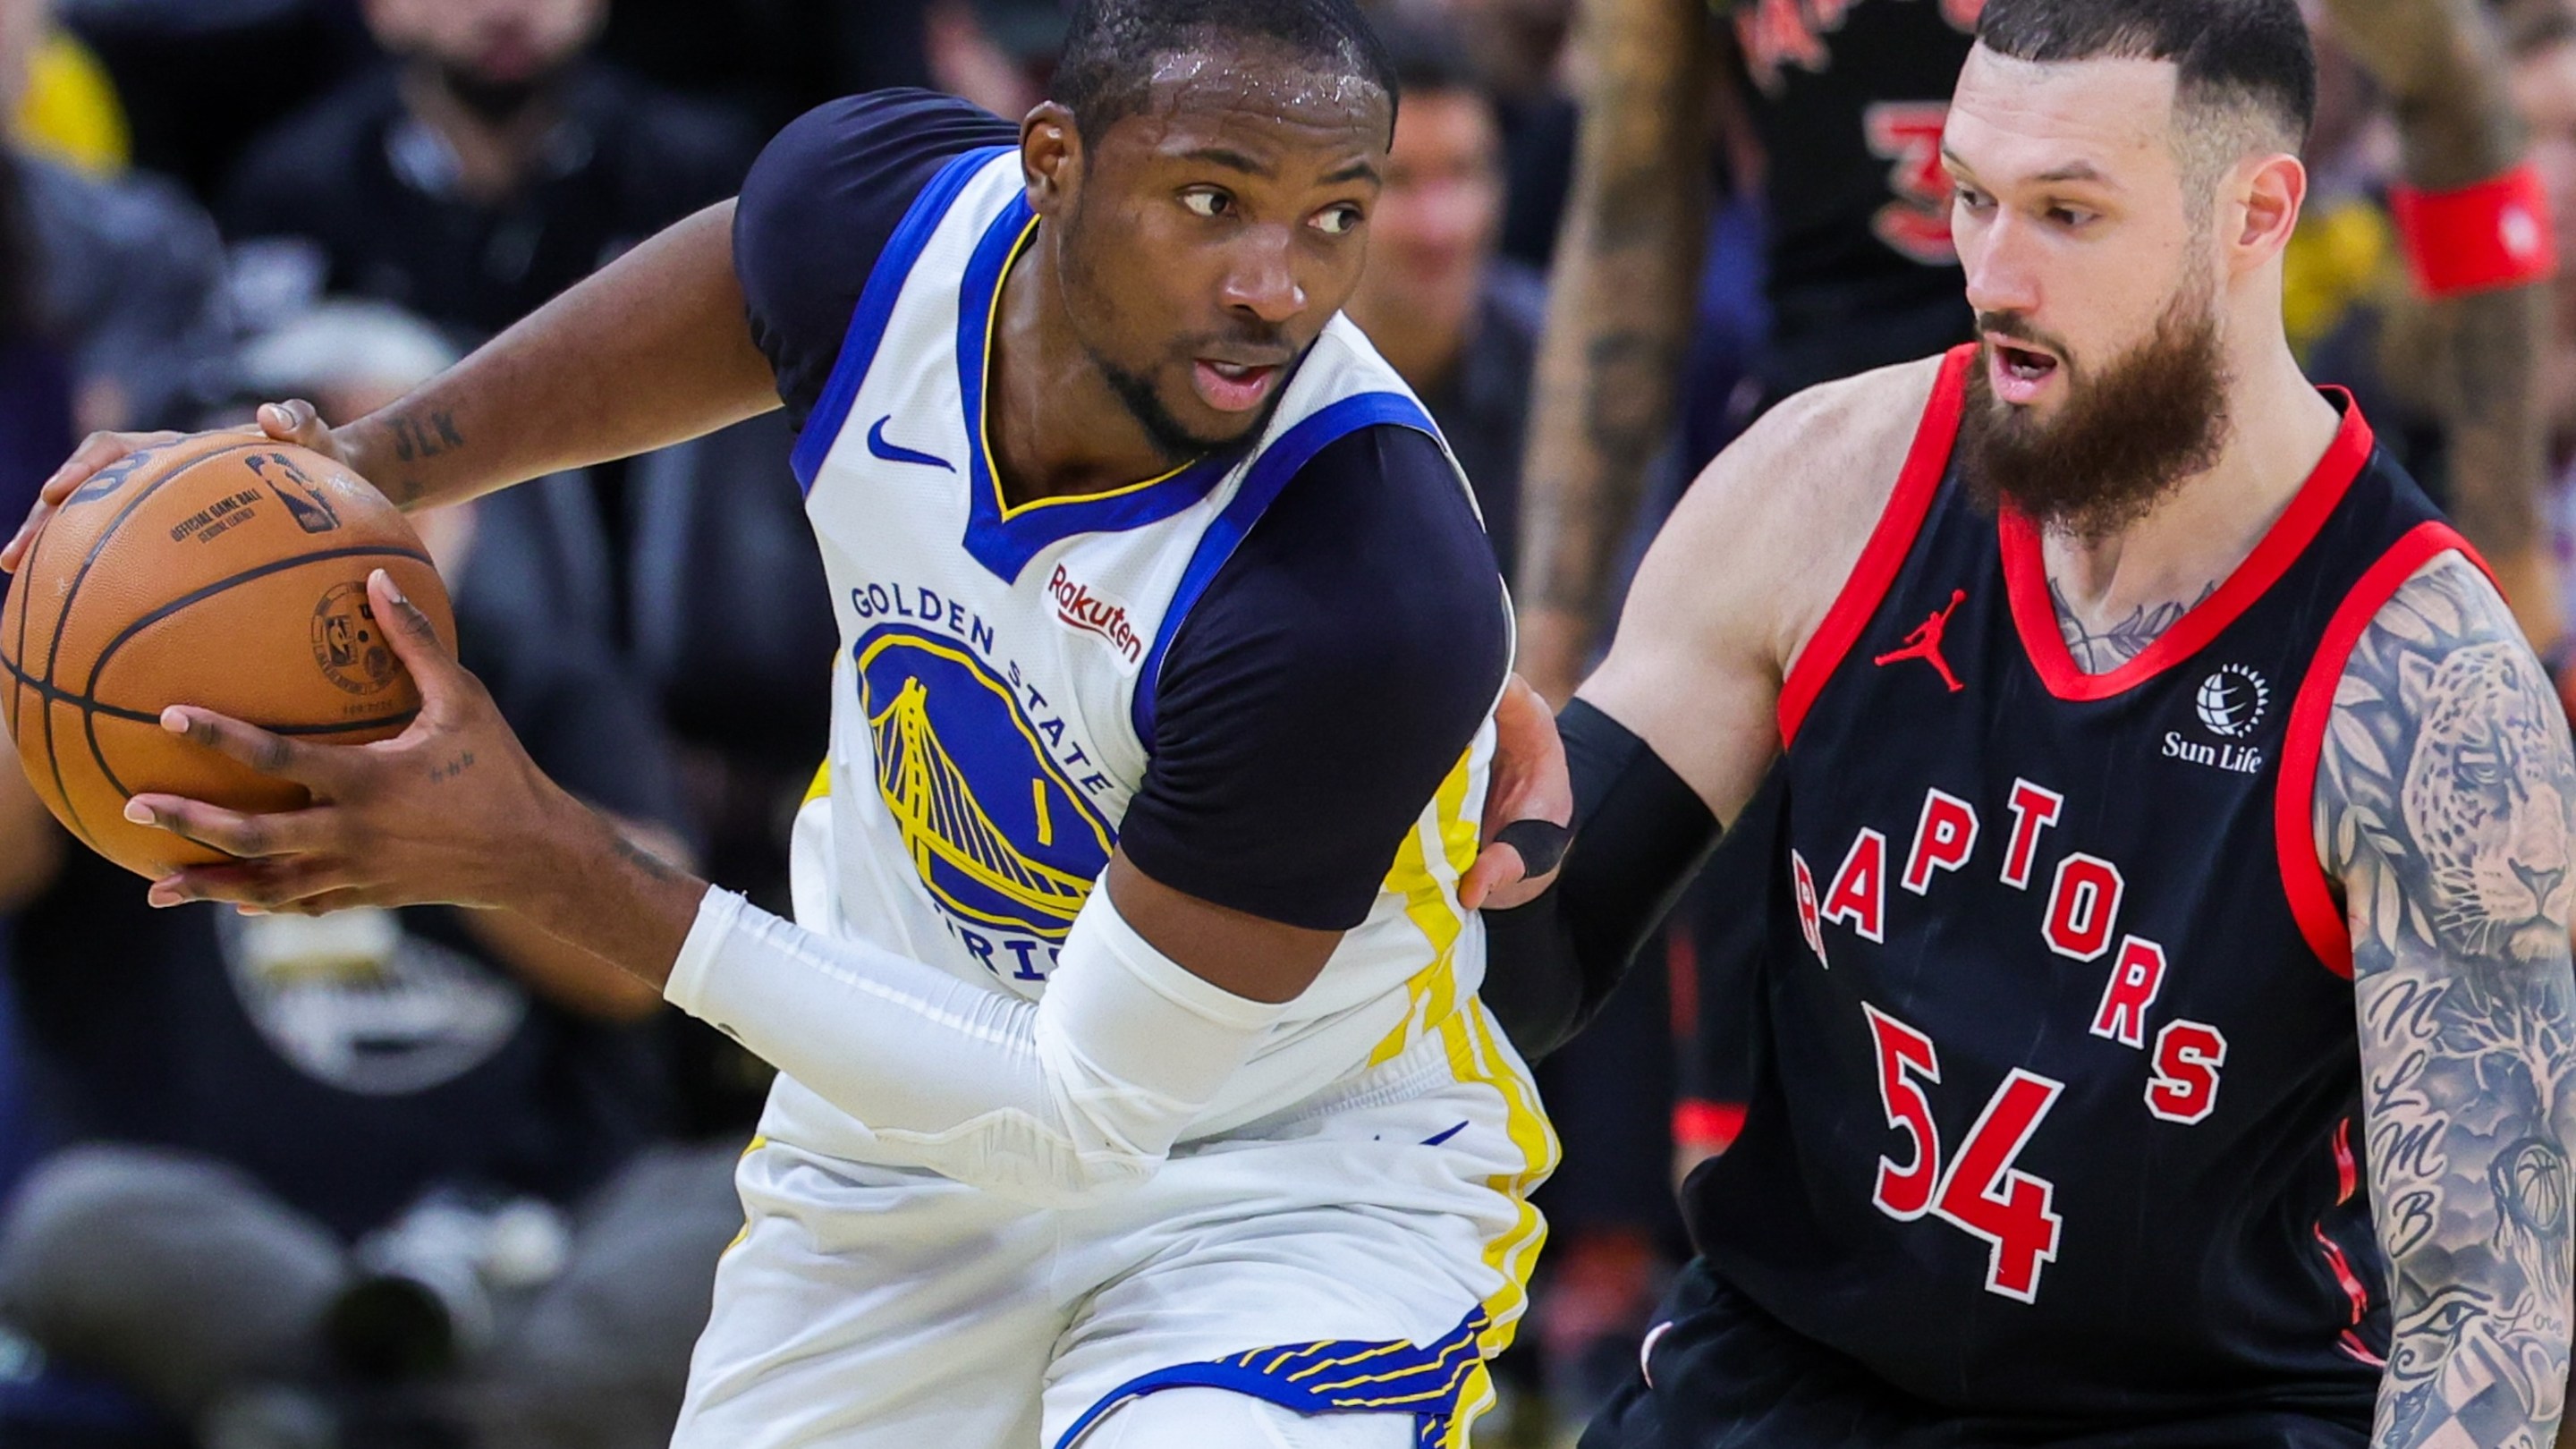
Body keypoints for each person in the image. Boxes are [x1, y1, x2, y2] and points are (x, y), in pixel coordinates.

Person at [8, 2, 1562, 1445]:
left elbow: (1081, 1122)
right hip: (896, 1148)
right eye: (1213, 201)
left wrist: (543, 856)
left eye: (1333, 218)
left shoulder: (1362, 582)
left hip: (1277, 1181)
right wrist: (347, 473)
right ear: (1053, 170)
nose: (1274, 286)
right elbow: (748, 279)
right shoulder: (874, 225)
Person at [1471, 0, 2576, 1443]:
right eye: (1975, 203)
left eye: (2067, 214)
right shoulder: (1822, 483)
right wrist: (1446, 807)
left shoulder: (2428, 685)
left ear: (2255, 214)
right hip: (1797, 1378)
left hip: (2203, 1411)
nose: (1993, 274)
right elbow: (1529, 964)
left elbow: (2485, 1320)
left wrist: (2512, 528)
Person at [0, 302, 729, 1449]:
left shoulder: (542, 681)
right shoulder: (131, 703)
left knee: (747, 1212)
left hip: (535, 1243)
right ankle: (445, 1421)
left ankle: (357, 1425)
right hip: (243, 1243)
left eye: (393, 483)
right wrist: (53, 630)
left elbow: (643, 975)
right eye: (314, 482)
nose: (358, 527)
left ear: (476, 508)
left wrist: (459, 818)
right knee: (73, 1222)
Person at [219, 0, 756, 342]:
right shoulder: (297, 185)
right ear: (382, 9)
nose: (503, 10)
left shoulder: (695, 169)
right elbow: (254, 373)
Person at [1340, 18, 1545, 575]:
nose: (1440, 226)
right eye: (1401, 181)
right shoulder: (1258, 370)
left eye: (1463, 173)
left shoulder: (1560, 362)